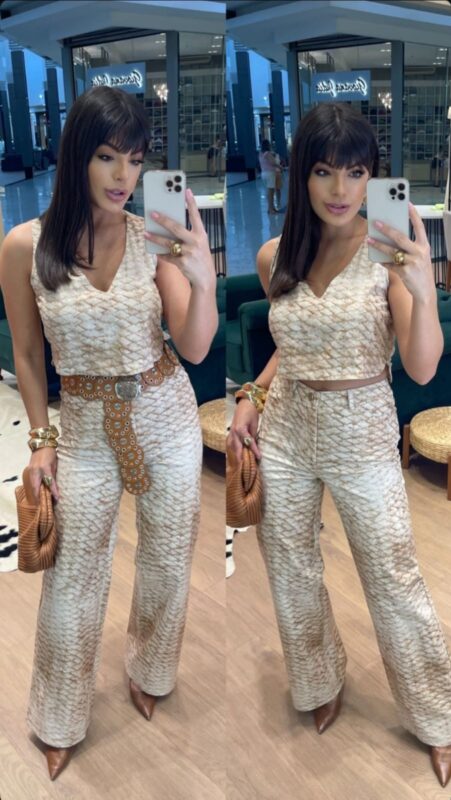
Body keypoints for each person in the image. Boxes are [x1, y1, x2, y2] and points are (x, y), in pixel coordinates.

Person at [228, 103, 451, 787]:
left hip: (363, 429)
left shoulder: (388, 256)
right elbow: (293, 346)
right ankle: (318, 680)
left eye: (356, 172)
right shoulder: (276, 255)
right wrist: (252, 393)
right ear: (303, 174)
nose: (340, 189)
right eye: (324, 171)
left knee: (393, 576)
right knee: (289, 565)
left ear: (373, 177)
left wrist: (421, 285)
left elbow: (420, 367)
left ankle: (438, 714)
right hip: (288, 429)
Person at [0, 86, 218, 780]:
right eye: (106, 156)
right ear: (77, 157)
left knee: (167, 562)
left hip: (167, 415)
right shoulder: (25, 246)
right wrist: (41, 442)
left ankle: (150, 672)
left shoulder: (154, 236)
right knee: (72, 578)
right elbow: (27, 354)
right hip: (87, 431)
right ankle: (58, 715)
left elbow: (194, 347)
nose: (124, 175)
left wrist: (201, 275)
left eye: (135, 159)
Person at [259, 139, 282, 214]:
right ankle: (271, 209)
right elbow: (273, 163)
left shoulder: (261, 154)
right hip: (270, 173)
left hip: (263, 173)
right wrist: (280, 166)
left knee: (269, 191)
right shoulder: (268, 153)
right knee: (271, 193)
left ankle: (271, 208)